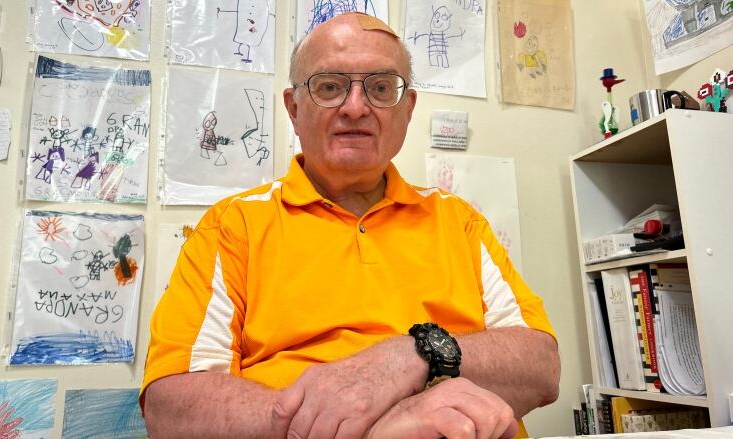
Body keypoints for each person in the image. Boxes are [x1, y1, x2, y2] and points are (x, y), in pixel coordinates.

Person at [141, 13, 559, 439]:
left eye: (380, 88)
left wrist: (411, 358)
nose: (356, 107)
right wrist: (365, 426)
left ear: (407, 109)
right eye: (329, 87)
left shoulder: (458, 220)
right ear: (293, 108)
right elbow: (171, 407)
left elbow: (540, 366)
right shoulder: (233, 226)